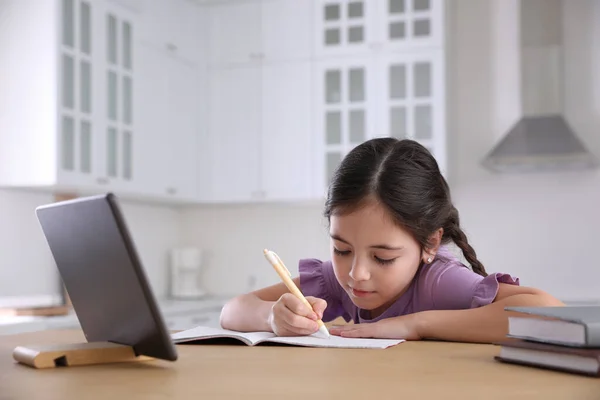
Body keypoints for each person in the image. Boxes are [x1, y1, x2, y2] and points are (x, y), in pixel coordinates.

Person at [220, 138, 563, 343]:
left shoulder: (437, 282)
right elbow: (232, 311)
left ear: (430, 245)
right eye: (341, 249)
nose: (356, 274)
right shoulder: (335, 282)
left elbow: (550, 313)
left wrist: (416, 324)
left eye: (383, 257)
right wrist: (272, 318)